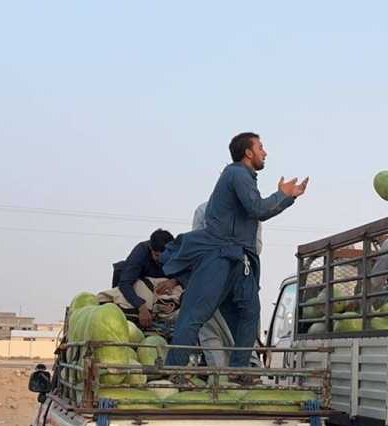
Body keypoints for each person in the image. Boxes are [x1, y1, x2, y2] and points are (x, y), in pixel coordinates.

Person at [162, 132, 308, 371]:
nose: (265, 152)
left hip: (239, 258)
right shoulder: (237, 173)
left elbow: (257, 211)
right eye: (261, 147)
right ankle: (173, 371)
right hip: (219, 255)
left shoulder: (245, 177)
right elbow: (257, 208)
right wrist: (284, 194)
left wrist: (287, 197)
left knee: (250, 312)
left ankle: (240, 370)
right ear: (248, 152)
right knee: (197, 313)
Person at [191, 201, 262, 368]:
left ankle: (225, 378)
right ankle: (240, 372)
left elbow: (197, 246)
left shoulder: (204, 209)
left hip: (216, 281)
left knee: (214, 332)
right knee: (240, 329)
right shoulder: (253, 211)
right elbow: (256, 248)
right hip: (235, 279)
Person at [117, 229, 176, 328]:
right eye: (157, 255)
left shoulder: (177, 252)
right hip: (139, 296)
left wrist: (174, 281)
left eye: (165, 256)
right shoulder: (140, 253)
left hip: (165, 300)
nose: (161, 260)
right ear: (150, 247)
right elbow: (125, 283)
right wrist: (142, 308)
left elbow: (191, 273)